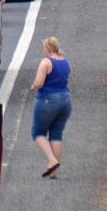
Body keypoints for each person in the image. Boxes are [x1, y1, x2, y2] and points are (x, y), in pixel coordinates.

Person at [30, 37, 71, 179]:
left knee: (38, 133)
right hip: (66, 100)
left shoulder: (46, 62)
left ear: (47, 48)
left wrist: (33, 86)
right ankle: (54, 171)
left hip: (48, 100)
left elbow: (40, 83)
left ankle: (52, 160)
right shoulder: (65, 62)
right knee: (56, 134)